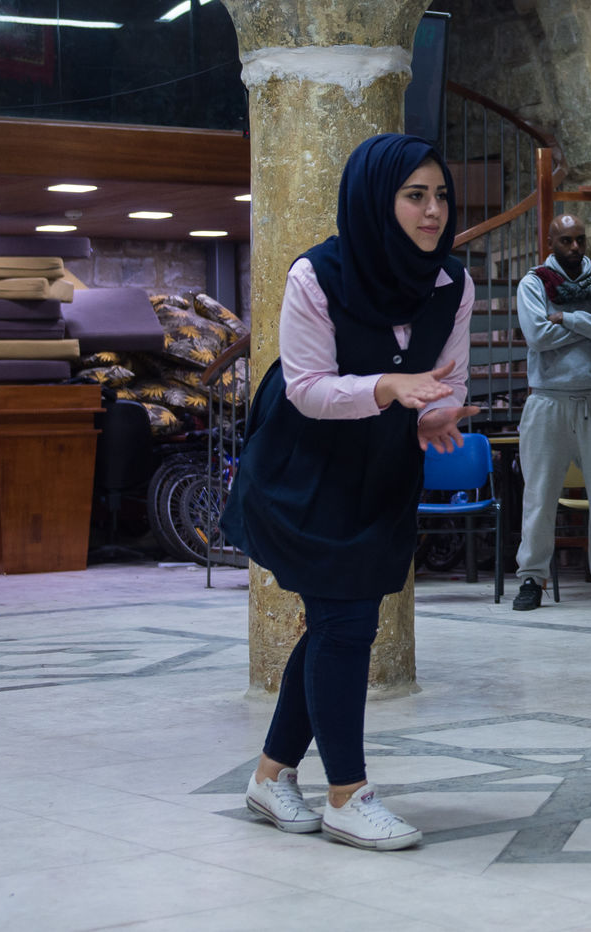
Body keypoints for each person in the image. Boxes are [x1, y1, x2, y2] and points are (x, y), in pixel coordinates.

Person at [220, 134, 478, 849]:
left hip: (382, 465)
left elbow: (446, 377)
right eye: (414, 196)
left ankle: (270, 777)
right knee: (347, 622)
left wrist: (434, 415)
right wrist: (388, 387)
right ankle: (346, 795)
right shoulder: (316, 275)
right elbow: (305, 387)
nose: (434, 211)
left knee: (340, 622)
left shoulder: (453, 284)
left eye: (441, 196)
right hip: (306, 464)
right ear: (375, 201)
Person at [510, 214, 591, 611]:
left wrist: (567, 317)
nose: (575, 247)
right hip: (548, 400)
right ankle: (532, 578)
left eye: (580, 239)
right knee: (539, 494)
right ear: (550, 242)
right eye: (566, 240)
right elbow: (537, 336)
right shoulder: (534, 283)